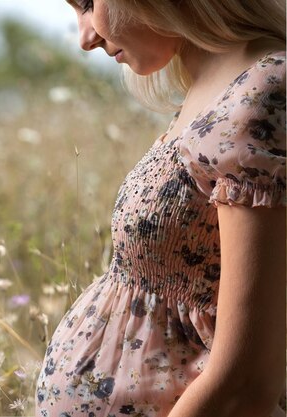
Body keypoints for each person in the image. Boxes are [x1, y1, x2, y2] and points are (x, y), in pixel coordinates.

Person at [35, 1, 286, 416]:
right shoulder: (214, 89)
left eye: (87, 3)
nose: (85, 38)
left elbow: (247, 383)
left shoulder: (263, 90)